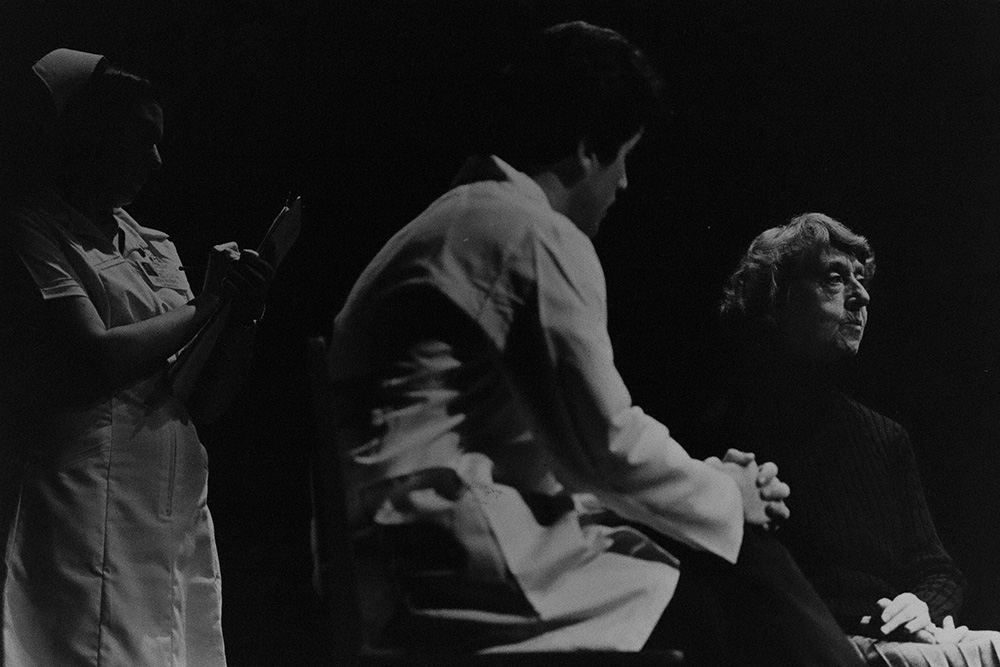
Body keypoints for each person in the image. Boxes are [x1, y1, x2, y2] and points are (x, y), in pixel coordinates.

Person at [327, 22, 862, 666]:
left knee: (709, 558)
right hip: (448, 561)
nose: (625, 184)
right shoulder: (530, 233)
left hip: (397, 555)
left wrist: (711, 481)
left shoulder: (456, 221)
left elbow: (554, 451)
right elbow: (604, 450)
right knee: (743, 569)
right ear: (586, 147)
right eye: (624, 157)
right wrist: (730, 497)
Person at [0, 49, 272, 666]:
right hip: (84, 495)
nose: (156, 160)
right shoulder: (31, 227)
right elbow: (91, 356)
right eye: (140, 137)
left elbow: (203, 395)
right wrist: (206, 307)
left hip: (171, 504)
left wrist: (239, 317)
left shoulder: (156, 246)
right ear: (89, 135)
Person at [707, 212, 1000, 665]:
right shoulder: (728, 435)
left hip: (893, 643)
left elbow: (938, 569)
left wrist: (921, 605)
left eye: (861, 280)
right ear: (776, 299)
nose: (861, 296)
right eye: (835, 278)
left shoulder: (885, 438)